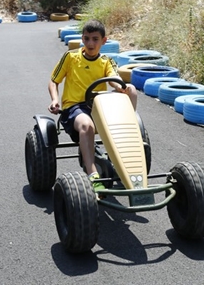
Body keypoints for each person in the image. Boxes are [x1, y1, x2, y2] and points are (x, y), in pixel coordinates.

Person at [48, 20, 137, 191]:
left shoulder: (106, 61)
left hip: (99, 106)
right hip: (74, 108)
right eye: (87, 38)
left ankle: (124, 145)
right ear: (82, 39)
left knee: (131, 89)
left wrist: (121, 88)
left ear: (104, 41)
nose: (90, 43)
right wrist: (54, 99)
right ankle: (93, 174)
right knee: (87, 125)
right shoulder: (71, 57)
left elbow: (115, 80)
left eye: (95, 39)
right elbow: (53, 81)